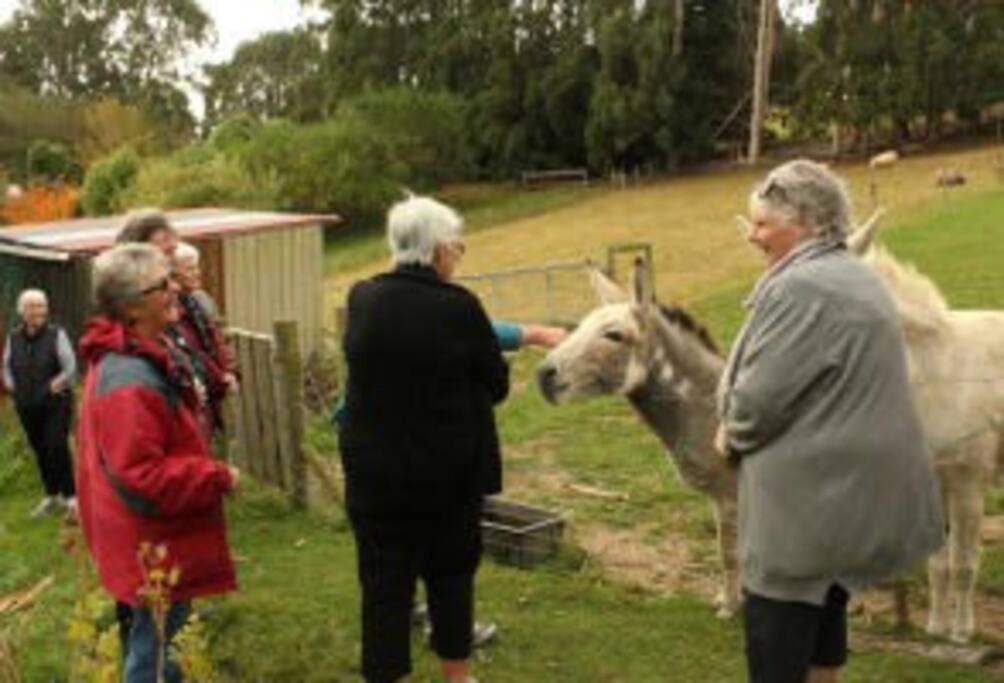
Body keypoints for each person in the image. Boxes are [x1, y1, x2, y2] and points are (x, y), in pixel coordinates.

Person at [717, 159, 944, 683]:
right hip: (850, 503)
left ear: (805, 222)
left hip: (803, 512)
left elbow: (755, 405)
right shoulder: (855, 276)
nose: (752, 236)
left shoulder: (800, 287)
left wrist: (730, 435)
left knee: (778, 636)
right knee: (826, 618)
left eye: (762, 224)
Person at [340, 195, 509, 683]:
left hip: (375, 480)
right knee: (450, 576)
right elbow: (495, 383)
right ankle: (457, 674)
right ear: (436, 250)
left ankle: (386, 676)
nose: (457, 255)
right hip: (446, 481)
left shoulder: (363, 297)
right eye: (456, 246)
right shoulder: (459, 307)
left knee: (383, 585)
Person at [76, 243, 240, 683]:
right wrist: (216, 475)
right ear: (132, 307)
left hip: (145, 536)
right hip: (150, 541)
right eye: (161, 284)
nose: (174, 290)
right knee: (153, 656)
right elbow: (141, 476)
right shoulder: (129, 379)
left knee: (157, 643)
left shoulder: (138, 352)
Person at [2, 289, 77, 518]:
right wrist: (12, 386)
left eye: (41, 306)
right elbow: (5, 366)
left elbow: (71, 367)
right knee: (40, 449)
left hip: (56, 403)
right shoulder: (13, 337)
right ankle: (51, 495)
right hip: (26, 405)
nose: (37, 311)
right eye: (32, 306)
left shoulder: (57, 334)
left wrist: (59, 383)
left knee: (56, 445)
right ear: (21, 311)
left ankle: (72, 498)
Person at [171, 241, 239, 436]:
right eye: (189, 269)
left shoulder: (199, 301)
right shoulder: (175, 310)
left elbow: (217, 337)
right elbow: (192, 350)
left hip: (214, 386)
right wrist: (220, 377)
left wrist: (230, 369)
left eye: (197, 267)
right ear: (173, 274)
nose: (197, 273)